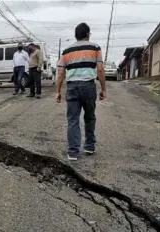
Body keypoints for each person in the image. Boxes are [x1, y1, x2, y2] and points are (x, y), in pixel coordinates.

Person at [55, 22, 107, 161]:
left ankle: (73, 152)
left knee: (72, 120)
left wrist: (58, 91)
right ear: (87, 34)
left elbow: (61, 73)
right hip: (88, 86)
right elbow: (100, 70)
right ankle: (89, 146)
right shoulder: (95, 47)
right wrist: (103, 89)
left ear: (76, 36)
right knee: (90, 117)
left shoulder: (66, 51)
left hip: (72, 87)